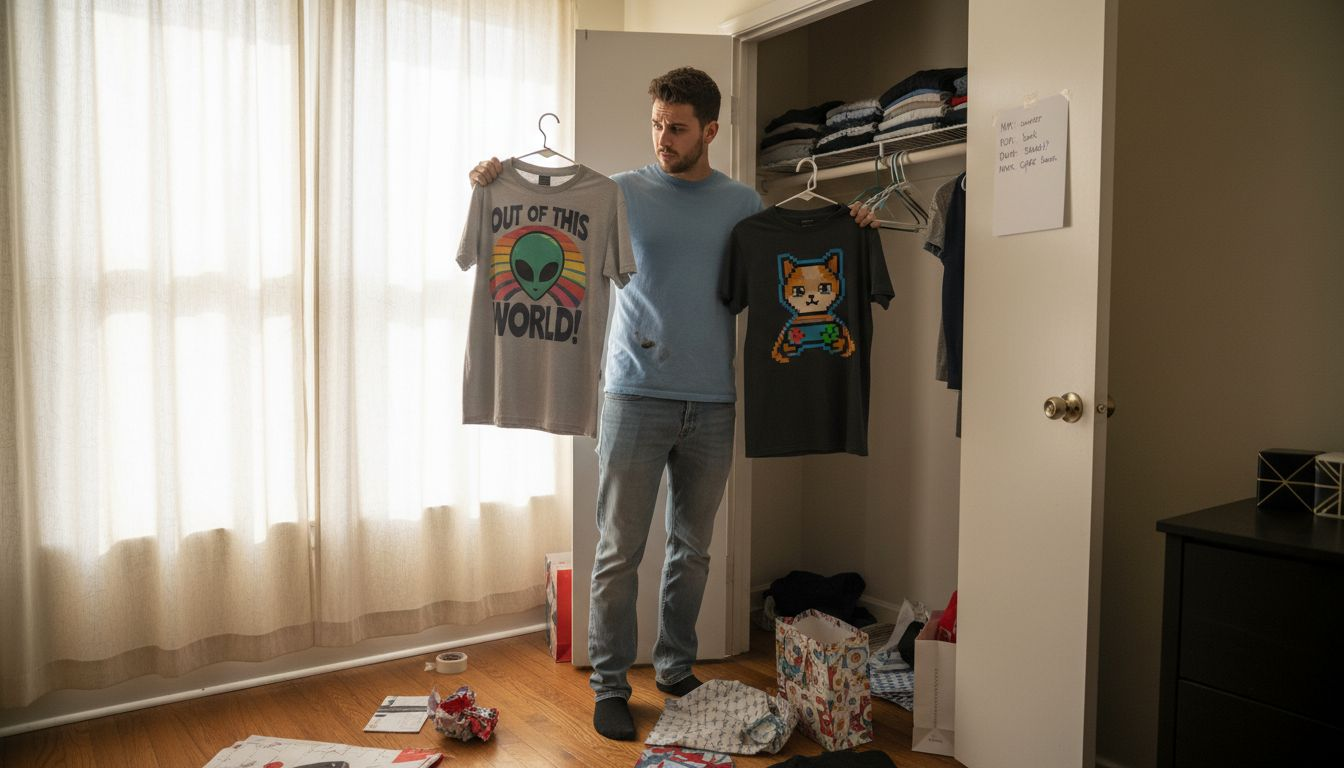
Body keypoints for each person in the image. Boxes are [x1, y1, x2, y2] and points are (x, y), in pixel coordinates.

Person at [469, 67, 878, 741]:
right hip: (633, 394)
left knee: (693, 550)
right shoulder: (620, 193)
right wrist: (491, 179)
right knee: (618, 551)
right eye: (657, 124)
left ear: (711, 130)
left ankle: (674, 668)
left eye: (678, 127)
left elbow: (797, 252)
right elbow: (548, 215)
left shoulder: (743, 203)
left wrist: (855, 223)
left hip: (713, 401)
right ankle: (608, 684)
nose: (664, 137)